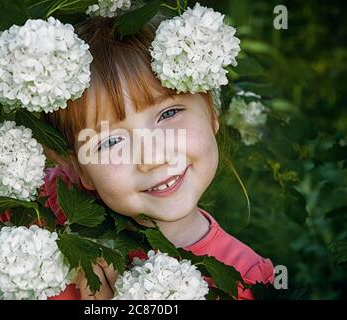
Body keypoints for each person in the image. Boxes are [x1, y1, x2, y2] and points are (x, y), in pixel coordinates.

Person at [43, 16, 274, 300]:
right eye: (111, 141)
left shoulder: (249, 281)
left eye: (168, 114)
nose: (152, 157)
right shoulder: (41, 213)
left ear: (212, 111)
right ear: (80, 168)